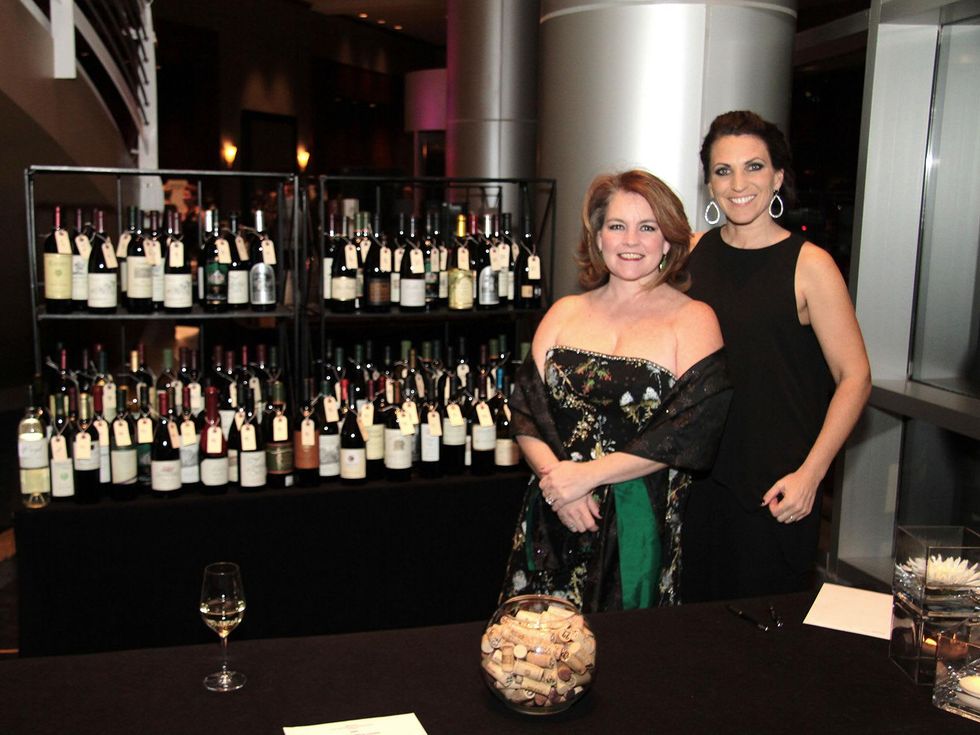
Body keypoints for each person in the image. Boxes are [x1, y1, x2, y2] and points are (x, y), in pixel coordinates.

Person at [499, 170, 732, 611]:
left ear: (668, 242)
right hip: (554, 509)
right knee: (532, 660)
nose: (631, 240)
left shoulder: (694, 320)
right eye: (617, 226)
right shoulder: (564, 312)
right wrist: (557, 483)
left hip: (638, 523)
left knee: (630, 662)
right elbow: (526, 411)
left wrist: (587, 476)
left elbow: (689, 433)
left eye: (648, 227)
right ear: (599, 237)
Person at [681, 110, 871, 601]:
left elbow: (855, 377)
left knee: (767, 659)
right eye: (723, 171)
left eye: (754, 167)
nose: (738, 183)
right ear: (709, 183)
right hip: (697, 488)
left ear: (778, 177)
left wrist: (812, 475)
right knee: (691, 645)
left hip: (777, 491)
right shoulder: (690, 254)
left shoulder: (810, 265)